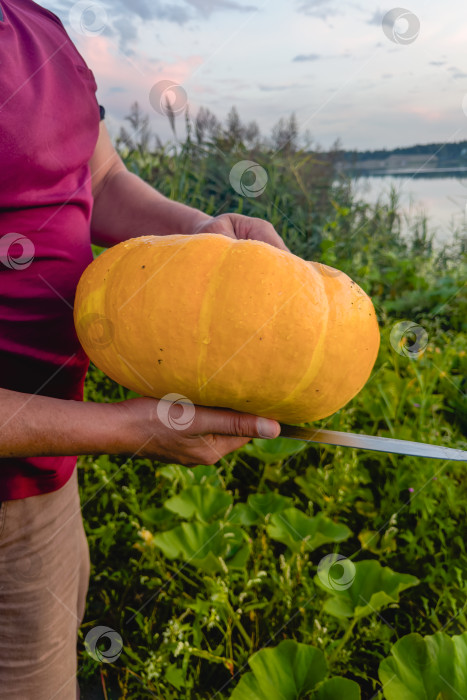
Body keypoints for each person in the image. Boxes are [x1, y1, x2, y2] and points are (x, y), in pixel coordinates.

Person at [0, 1, 287, 697]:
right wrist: (127, 429)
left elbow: (97, 181)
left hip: (40, 486)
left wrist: (199, 234)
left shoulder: (37, 24)